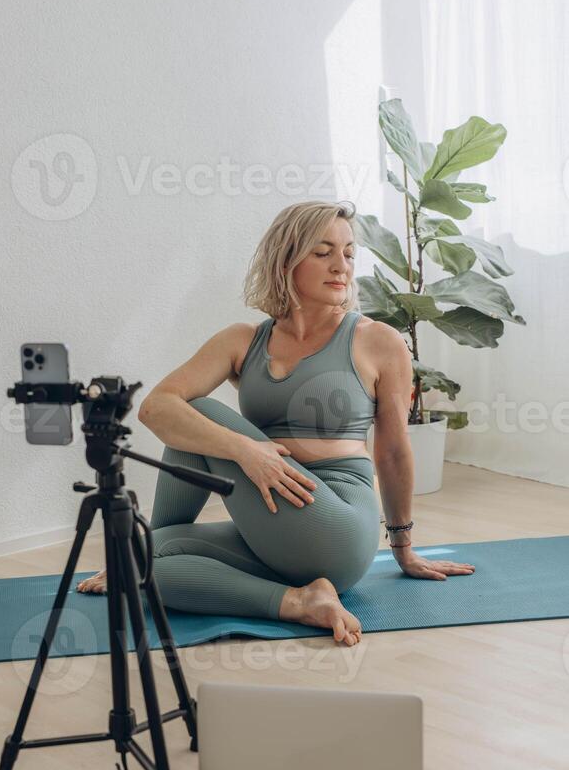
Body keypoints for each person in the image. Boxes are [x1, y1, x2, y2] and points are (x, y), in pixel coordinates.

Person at [77, 200, 475, 645]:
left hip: (336, 521)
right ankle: (299, 601)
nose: (341, 266)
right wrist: (246, 449)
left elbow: (394, 448)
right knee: (145, 555)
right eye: (323, 252)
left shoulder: (376, 341)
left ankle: (148, 551)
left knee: (200, 413)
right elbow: (154, 408)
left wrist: (403, 547)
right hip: (272, 520)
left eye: (347, 253)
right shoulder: (244, 340)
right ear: (286, 259)